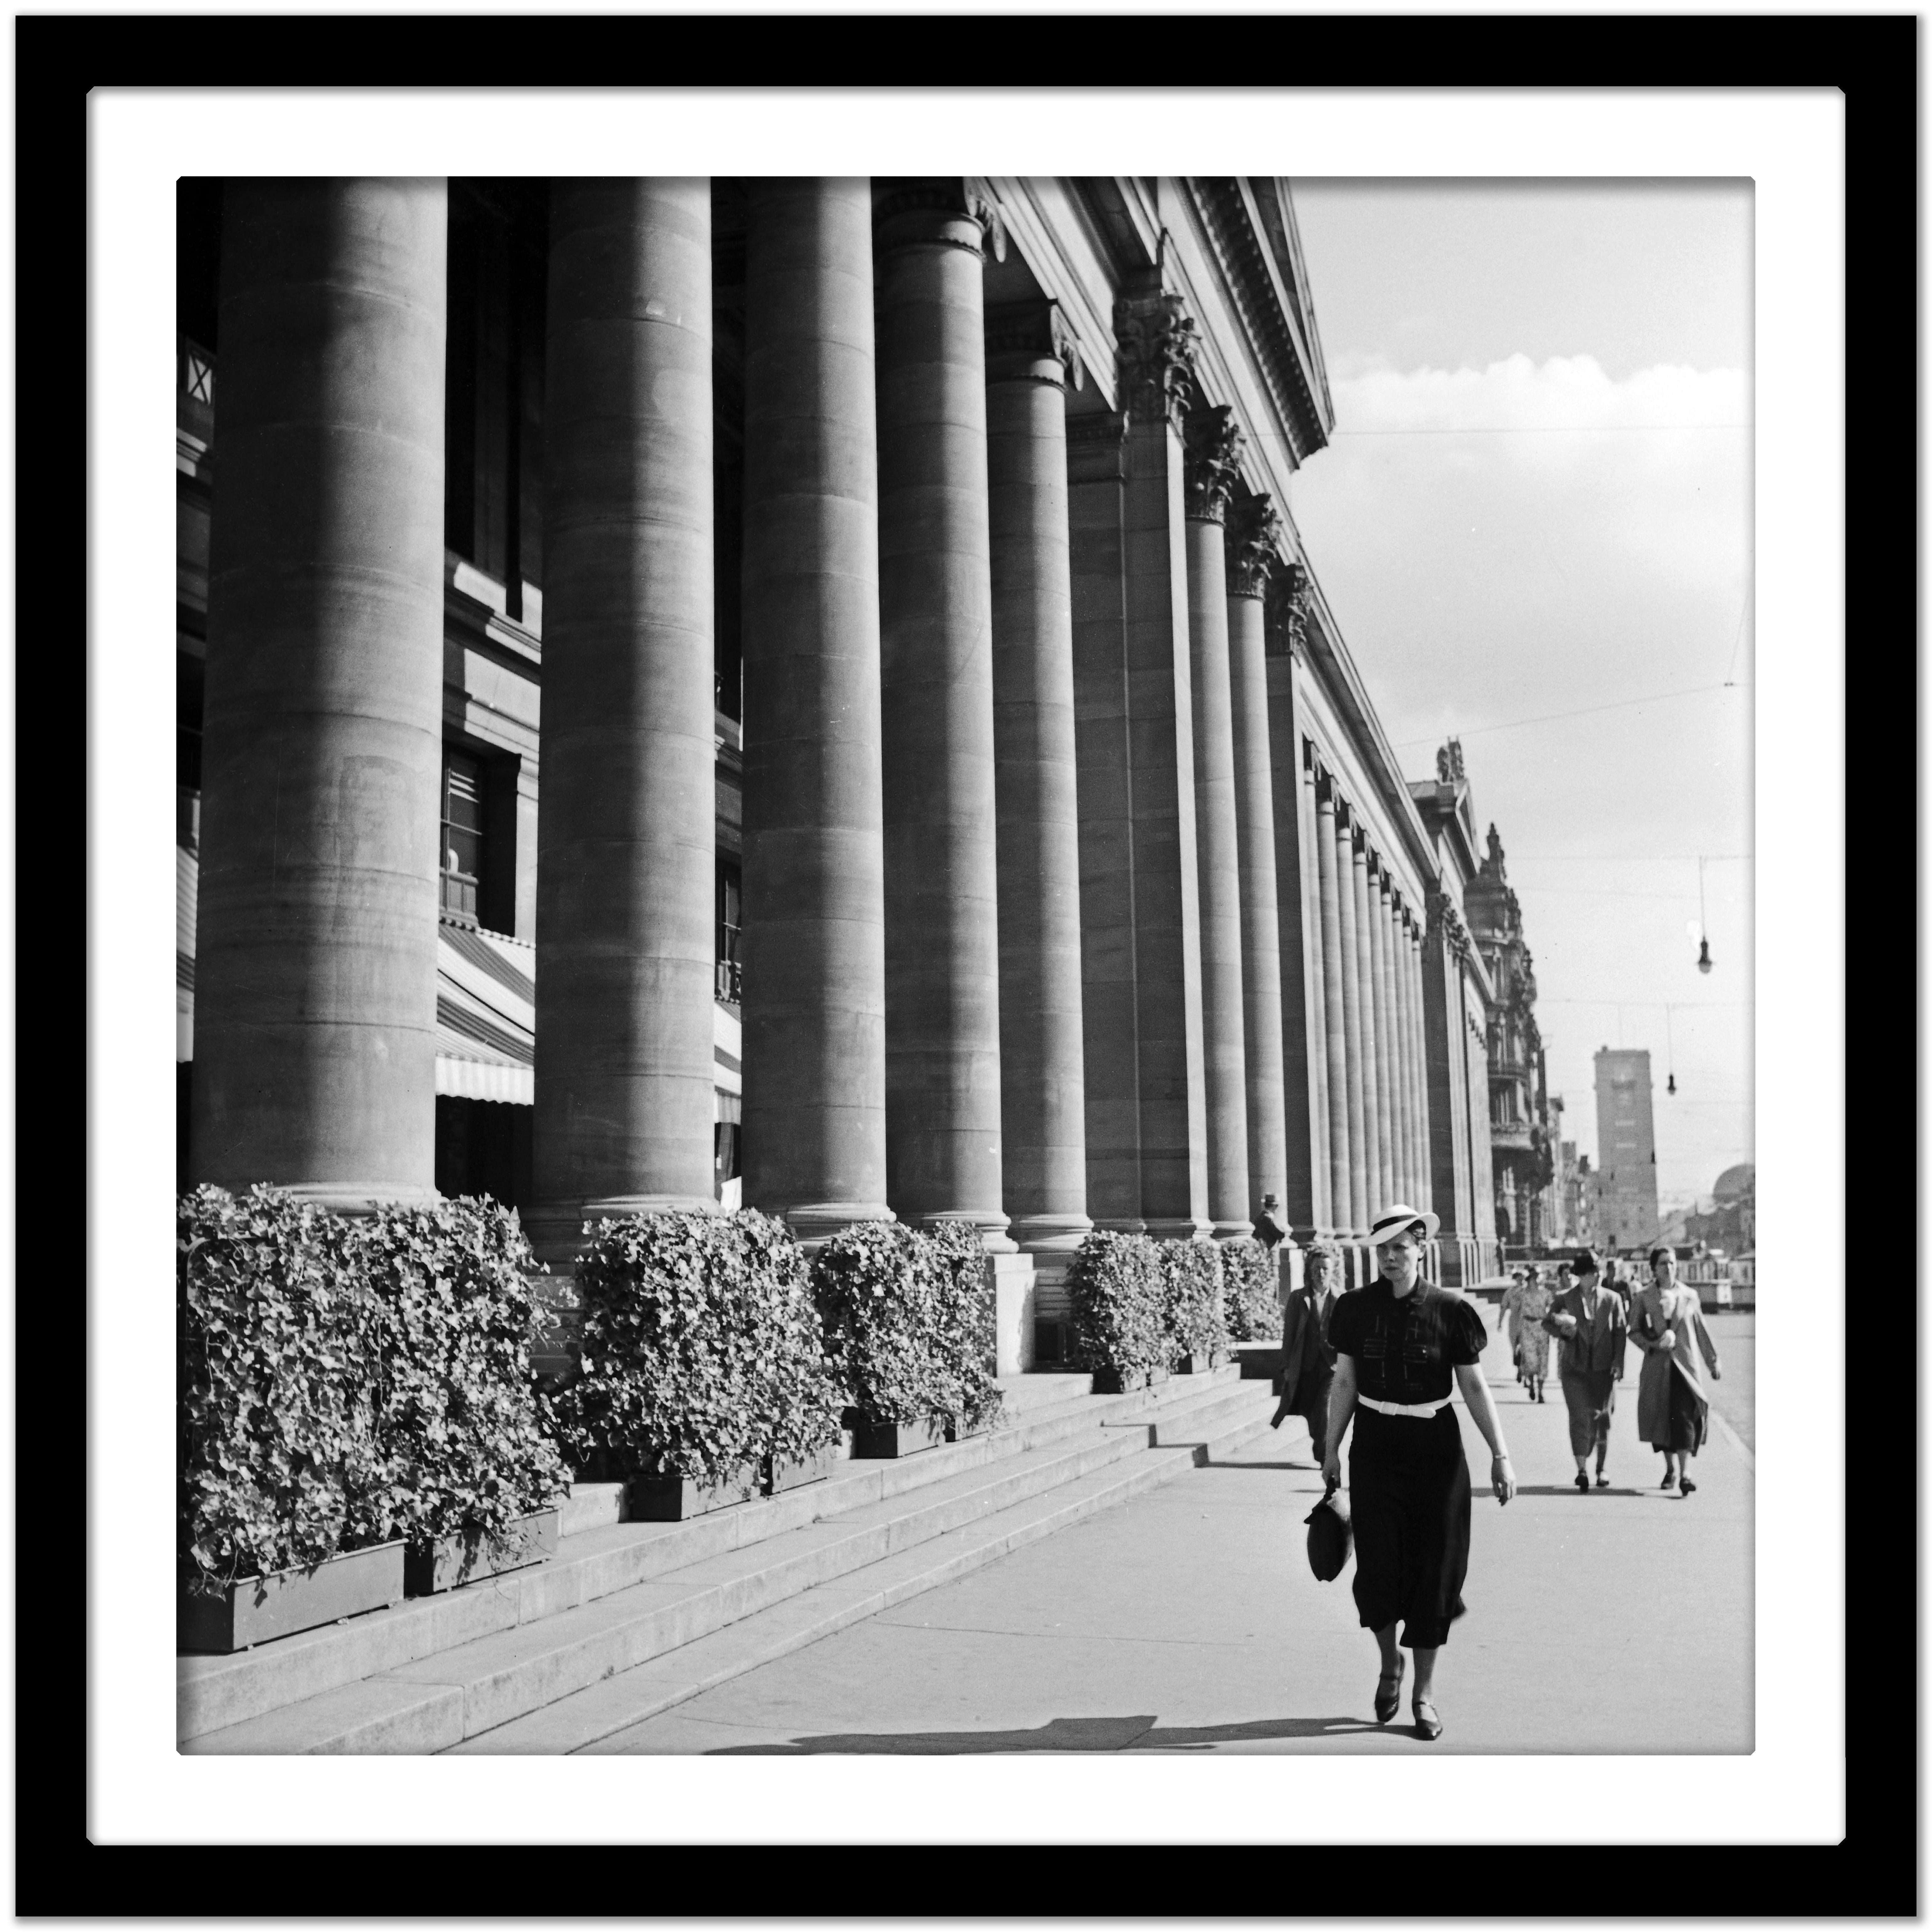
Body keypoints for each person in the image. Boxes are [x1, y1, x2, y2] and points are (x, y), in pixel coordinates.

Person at [1323, 1203, 1514, 1742]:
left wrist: (1500, 1454)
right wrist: (1330, 1448)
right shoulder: (1353, 1308)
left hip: (1435, 1450)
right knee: (1378, 1569)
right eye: (1381, 1247)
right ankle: (1389, 1663)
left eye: (1400, 1246)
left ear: (1420, 1247)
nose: (1389, 1256)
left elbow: (1473, 1386)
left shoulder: (1450, 1309)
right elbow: (1342, 1383)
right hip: (1376, 1447)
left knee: (1435, 1572)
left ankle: (1423, 1695)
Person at [1630, 1243, 1723, 1494]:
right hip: (1658, 1368)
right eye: (1663, 1263)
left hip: (1685, 1368)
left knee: (1684, 1418)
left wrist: (1712, 1361)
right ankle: (1670, 1469)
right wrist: (1653, 1344)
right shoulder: (1644, 1297)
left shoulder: (1690, 1296)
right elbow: (1634, 1332)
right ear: (1653, 1268)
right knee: (1662, 1419)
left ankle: (1685, 1474)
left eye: (1672, 1263)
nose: (1669, 1268)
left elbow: (1701, 1330)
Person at [1543, 1248, 1628, 1490]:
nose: (1598, 1274)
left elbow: (1620, 1333)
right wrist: (1564, 1331)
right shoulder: (1565, 1299)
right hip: (1575, 1369)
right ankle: (1582, 1471)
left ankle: (1601, 1470)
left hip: (1604, 1370)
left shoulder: (1613, 1299)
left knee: (1603, 1419)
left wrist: (1618, 1363)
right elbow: (1547, 1323)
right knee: (1580, 1417)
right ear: (1581, 1275)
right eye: (1593, 1271)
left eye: (1599, 1269)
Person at [1271, 1238, 1342, 1463]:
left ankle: (1324, 1456)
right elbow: (1289, 1334)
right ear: (1310, 1272)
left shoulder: (1342, 1300)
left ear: (1333, 1272)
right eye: (1316, 1269)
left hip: (1331, 1365)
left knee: (1324, 1409)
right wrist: (1285, 1366)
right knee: (1312, 1412)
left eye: (1325, 1269)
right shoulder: (1298, 1298)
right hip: (1305, 1364)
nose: (1321, 1273)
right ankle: (1319, 1443)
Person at [1505, 1266, 1553, 1402]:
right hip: (1527, 1328)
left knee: (1543, 1361)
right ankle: (1532, 1387)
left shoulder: (1546, 1294)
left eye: (1539, 1277)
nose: (1537, 1280)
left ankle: (1541, 1392)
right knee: (1530, 1361)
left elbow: (1553, 1309)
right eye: (1534, 1278)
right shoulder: (1521, 1294)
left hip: (1542, 1328)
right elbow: (1514, 1309)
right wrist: (1518, 1335)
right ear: (1530, 1279)